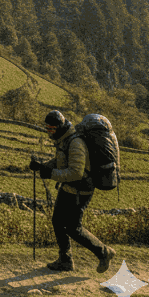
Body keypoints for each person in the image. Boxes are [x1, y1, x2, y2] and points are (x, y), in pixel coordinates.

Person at [30, 110, 115, 274]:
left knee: (73, 228)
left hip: (80, 190)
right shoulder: (65, 140)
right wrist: (43, 166)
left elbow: (76, 172)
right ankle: (65, 260)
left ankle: (104, 252)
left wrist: (51, 174)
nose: (50, 132)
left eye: (52, 129)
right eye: (48, 129)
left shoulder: (75, 143)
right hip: (69, 187)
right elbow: (61, 160)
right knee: (57, 221)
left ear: (61, 127)